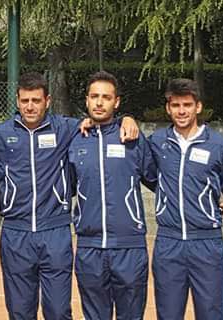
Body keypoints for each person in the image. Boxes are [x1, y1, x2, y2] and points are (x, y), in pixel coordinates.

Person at [0, 72, 139, 319]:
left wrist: (126, 119)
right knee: (20, 312)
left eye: (36, 100)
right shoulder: (0, 134)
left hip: (55, 233)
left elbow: (101, 123)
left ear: (48, 101)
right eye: (24, 101)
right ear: (18, 102)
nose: (30, 106)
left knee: (58, 311)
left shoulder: (67, 129)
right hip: (15, 234)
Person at [148, 78, 223, 320]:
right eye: (176, 105)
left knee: (212, 315)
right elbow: (148, 176)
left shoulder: (219, 145)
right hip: (168, 245)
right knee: (168, 315)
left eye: (187, 105)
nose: (181, 111)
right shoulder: (157, 142)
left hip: (207, 245)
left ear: (198, 107)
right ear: (168, 108)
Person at [68, 71, 156, 319]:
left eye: (106, 97)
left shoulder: (133, 139)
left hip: (129, 247)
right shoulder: (75, 140)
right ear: (86, 100)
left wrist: (216, 198)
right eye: (94, 96)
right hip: (89, 248)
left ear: (116, 102)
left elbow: (163, 181)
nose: (99, 102)